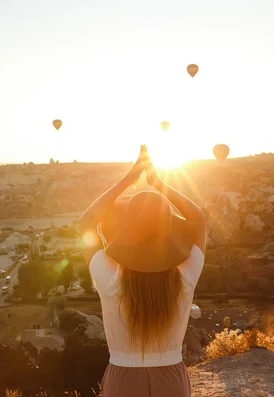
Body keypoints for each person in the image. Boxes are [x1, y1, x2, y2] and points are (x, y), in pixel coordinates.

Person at [79, 145, 206, 397]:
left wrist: (128, 180)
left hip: (123, 378)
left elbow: (86, 222)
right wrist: (159, 184)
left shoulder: (110, 279)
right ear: (169, 229)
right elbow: (199, 219)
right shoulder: (186, 276)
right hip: (171, 377)